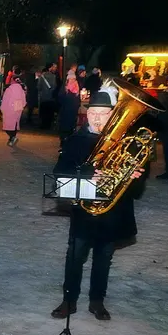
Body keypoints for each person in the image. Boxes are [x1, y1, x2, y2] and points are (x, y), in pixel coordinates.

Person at [50, 86, 148, 321]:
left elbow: (136, 191)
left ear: (113, 115)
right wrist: (83, 174)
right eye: (92, 112)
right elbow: (59, 171)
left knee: (103, 259)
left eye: (103, 114)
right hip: (84, 211)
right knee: (75, 257)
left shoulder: (129, 144)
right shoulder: (75, 140)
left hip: (113, 212)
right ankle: (69, 300)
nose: (96, 118)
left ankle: (97, 301)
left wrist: (134, 178)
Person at [0, 71, 27, 146]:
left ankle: (12, 137)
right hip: (18, 107)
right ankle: (12, 139)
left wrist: (2, 109)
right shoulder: (21, 89)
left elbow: (5, 100)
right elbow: (24, 100)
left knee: (7, 125)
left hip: (9, 108)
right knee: (14, 125)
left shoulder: (9, 89)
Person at [57, 75, 81, 146]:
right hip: (68, 111)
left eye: (74, 79)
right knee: (67, 127)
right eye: (71, 79)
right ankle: (65, 141)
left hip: (70, 111)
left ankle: (67, 141)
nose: (72, 80)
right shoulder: (66, 88)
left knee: (69, 127)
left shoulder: (74, 88)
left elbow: (78, 101)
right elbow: (60, 99)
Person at [37, 63, 58, 129]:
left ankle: (43, 125)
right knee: (50, 112)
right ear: (50, 68)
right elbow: (55, 87)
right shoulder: (53, 76)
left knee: (44, 112)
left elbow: (39, 87)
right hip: (51, 97)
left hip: (43, 97)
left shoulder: (42, 76)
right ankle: (49, 125)